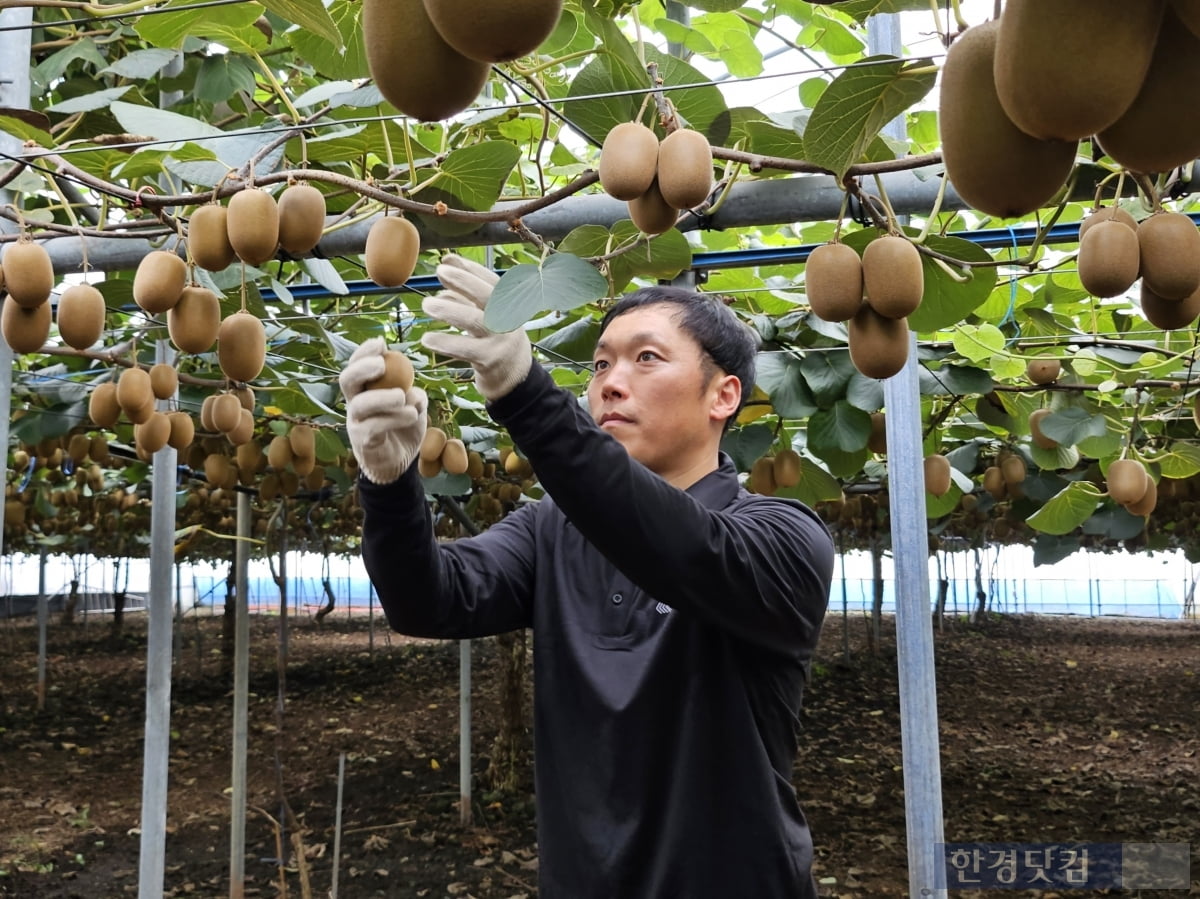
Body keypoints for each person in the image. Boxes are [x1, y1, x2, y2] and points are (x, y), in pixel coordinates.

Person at [339, 254, 835, 898]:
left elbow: (684, 549)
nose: (610, 382)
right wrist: (388, 484)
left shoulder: (786, 540)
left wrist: (525, 392)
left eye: (646, 358)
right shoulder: (551, 529)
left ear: (724, 394)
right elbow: (431, 600)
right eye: (601, 364)